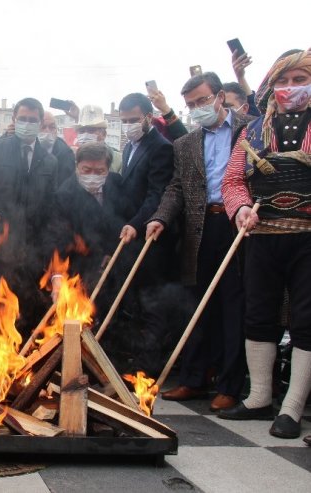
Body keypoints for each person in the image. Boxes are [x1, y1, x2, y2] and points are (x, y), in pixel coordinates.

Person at [147, 72, 255, 411]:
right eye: (191, 105)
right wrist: (160, 217)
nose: (197, 109)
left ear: (220, 96)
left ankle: (230, 385)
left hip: (239, 223)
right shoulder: (186, 143)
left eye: (203, 101)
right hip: (200, 225)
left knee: (233, 305)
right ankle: (193, 379)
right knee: (197, 303)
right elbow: (177, 187)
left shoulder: (251, 129)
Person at [218, 50, 311, 440]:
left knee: (306, 321)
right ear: (272, 85)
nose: (291, 88)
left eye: (300, 79)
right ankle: (258, 397)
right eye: (284, 81)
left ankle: (292, 406)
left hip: (308, 238)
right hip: (262, 237)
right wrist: (240, 209)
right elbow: (233, 180)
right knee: (257, 314)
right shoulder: (252, 132)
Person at [0, 97, 61, 339]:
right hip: (0, 244)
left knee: (28, 309)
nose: (27, 124)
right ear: (14, 120)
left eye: (33, 120)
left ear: (40, 123)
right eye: (23, 119)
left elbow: (51, 209)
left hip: (33, 249)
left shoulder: (50, 161)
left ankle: (24, 367)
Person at [116, 92, 175, 374]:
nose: (129, 125)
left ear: (148, 118)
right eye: (124, 120)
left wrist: (136, 223)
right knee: (135, 304)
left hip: (151, 239)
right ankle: (135, 362)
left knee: (152, 306)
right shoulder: (129, 147)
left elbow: (155, 195)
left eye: (133, 119)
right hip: (131, 237)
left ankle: (147, 370)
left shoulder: (159, 148)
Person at [45, 142, 127, 315]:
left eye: (99, 172)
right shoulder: (64, 195)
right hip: (80, 268)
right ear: (77, 167)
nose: (92, 176)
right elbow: (58, 238)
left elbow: (123, 220)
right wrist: (58, 277)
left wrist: (111, 252)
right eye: (86, 170)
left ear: (108, 169)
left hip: (114, 265)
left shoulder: (117, 184)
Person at [73, 104, 123, 173]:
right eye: (82, 131)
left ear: (104, 134)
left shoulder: (118, 160)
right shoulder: (72, 159)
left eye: (91, 131)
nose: (85, 135)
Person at [39, 111, 76, 181]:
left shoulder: (66, 153)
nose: (47, 131)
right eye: (43, 127)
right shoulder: (27, 148)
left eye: (52, 127)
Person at [231, 49, 262, 117]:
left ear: (245, 108)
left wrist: (240, 77)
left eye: (230, 106)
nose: (225, 111)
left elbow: (253, 106)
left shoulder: (252, 125)